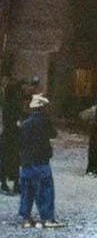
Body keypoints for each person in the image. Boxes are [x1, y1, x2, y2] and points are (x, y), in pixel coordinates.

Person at [18, 94, 62, 228]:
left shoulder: (25, 123)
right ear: (42, 107)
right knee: (46, 189)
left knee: (27, 190)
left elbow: (20, 142)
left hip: (27, 161)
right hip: (41, 160)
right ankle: (47, 218)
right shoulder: (45, 121)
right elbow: (53, 134)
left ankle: (26, 219)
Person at [2, 78, 24, 195]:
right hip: (12, 135)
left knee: (7, 159)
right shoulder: (13, 104)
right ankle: (13, 183)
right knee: (13, 159)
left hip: (8, 134)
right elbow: (16, 119)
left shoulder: (7, 104)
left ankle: (7, 183)